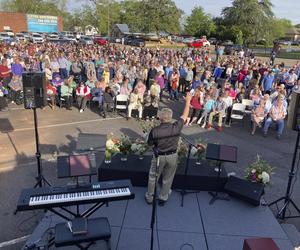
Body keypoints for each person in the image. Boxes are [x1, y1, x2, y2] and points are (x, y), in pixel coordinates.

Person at [145, 93, 192, 206]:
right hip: (172, 156)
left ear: (160, 118)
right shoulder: (176, 127)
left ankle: (150, 197)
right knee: (168, 178)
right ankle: (163, 198)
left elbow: (150, 144)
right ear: (170, 118)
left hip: (159, 157)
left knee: (153, 177)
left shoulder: (155, 130)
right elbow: (184, 115)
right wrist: (188, 101)